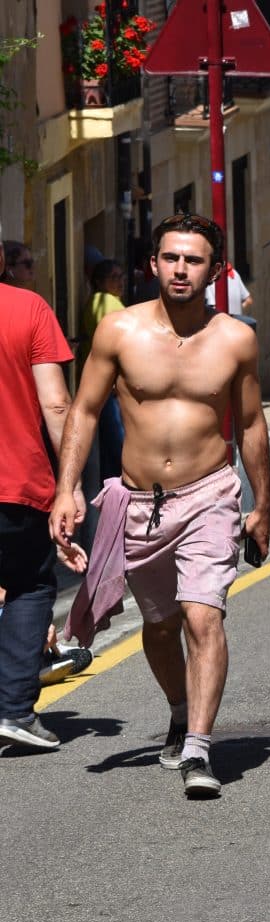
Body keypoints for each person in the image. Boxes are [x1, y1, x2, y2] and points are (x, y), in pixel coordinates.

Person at [50, 213, 270, 798]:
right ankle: (179, 709)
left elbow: (251, 422)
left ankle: (199, 746)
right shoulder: (119, 331)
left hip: (209, 494)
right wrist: (67, 488)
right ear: (153, 263)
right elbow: (84, 411)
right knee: (159, 625)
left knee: (203, 615)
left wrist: (263, 504)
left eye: (193, 260)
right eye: (171, 257)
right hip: (140, 503)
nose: (180, 269)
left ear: (214, 271)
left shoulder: (235, 339)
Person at [0, 225, 78, 750]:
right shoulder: (28, 308)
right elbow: (55, 404)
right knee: (29, 585)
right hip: (16, 484)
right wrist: (69, 485)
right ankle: (13, 711)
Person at [83, 260, 127, 481]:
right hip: (109, 386)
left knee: (110, 446)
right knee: (118, 445)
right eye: (114, 277)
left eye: (121, 276)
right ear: (99, 282)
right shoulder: (105, 301)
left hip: (105, 385)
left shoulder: (105, 301)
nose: (120, 281)